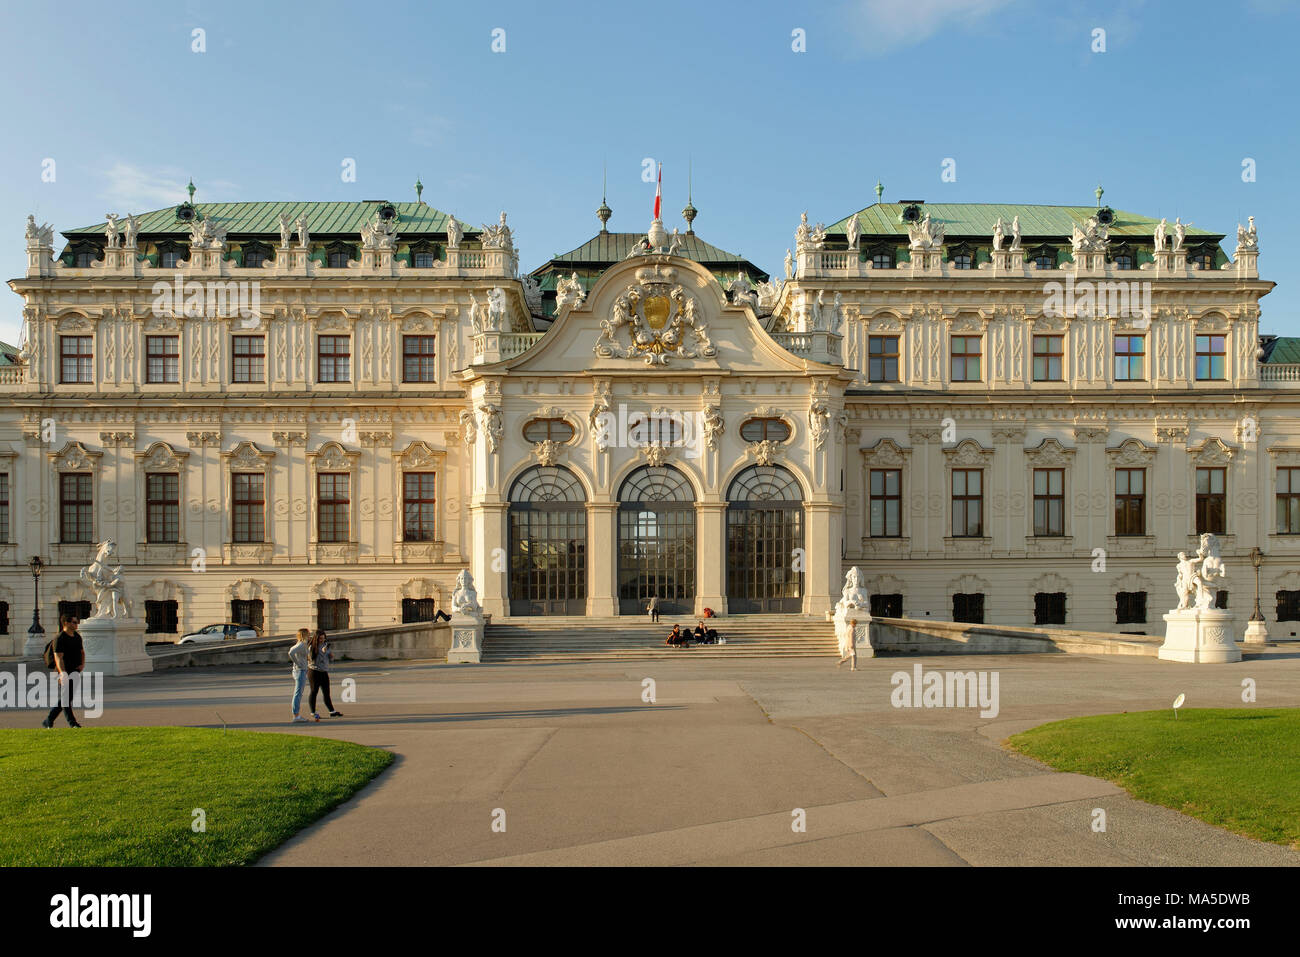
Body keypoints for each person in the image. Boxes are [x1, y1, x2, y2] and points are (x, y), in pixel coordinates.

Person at [42, 613, 84, 728]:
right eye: (74, 622)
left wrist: (82, 664)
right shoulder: (60, 638)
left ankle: (49, 720)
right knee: (66, 698)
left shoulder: (76, 636)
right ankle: (72, 723)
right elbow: (58, 657)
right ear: (66, 623)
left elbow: (82, 652)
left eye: (77, 622)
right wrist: (63, 673)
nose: (77, 624)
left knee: (68, 697)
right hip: (64, 671)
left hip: (75, 670)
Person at [307, 629, 343, 720]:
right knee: (314, 691)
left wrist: (331, 656)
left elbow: (329, 659)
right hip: (314, 671)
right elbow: (313, 660)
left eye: (323, 638)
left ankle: (332, 711)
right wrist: (322, 652)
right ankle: (313, 711)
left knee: (326, 692)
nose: (322, 640)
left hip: (324, 671)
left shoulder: (325, 645)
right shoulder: (311, 647)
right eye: (320, 639)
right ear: (316, 638)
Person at [288, 628, 311, 723]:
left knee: (298, 693)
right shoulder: (301, 644)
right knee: (298, 693)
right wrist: (298, 663)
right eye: (308, 634)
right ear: (305, 635)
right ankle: (296, 715)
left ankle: (296, 714)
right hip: (300, 670)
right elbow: (291, 652)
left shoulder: (303, 644)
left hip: (301, 670)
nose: (309, 636)